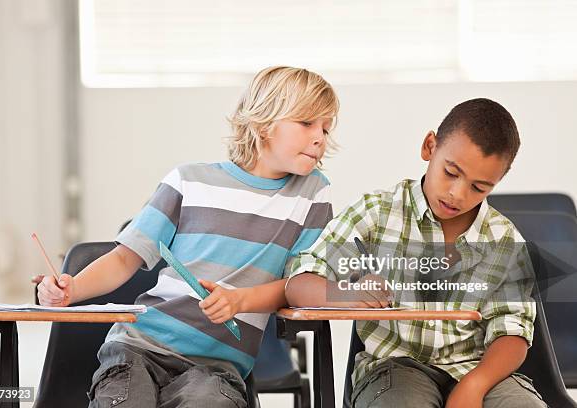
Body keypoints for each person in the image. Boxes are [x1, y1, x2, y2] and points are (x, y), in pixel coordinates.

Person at [34, 66, 338, 408]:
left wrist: (239, 300)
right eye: (307, 123)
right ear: (264, 123)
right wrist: (71, 289)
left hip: (218, 368)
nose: (320, 137)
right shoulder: (188, 181)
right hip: (139, 349)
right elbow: (124, 258)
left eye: (326, 128)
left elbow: (297, 285)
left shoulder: (312, 195)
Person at [286, 98, 546, 408]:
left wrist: (475, 385)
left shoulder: (503, 238)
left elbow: (513, 332)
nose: (457, 194)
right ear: (429, 147)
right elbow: (298, 283)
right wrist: (344, 292)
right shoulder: (376, 213)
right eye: (451, 172)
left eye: (479, 187)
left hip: (479, 370)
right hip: (395, 371)